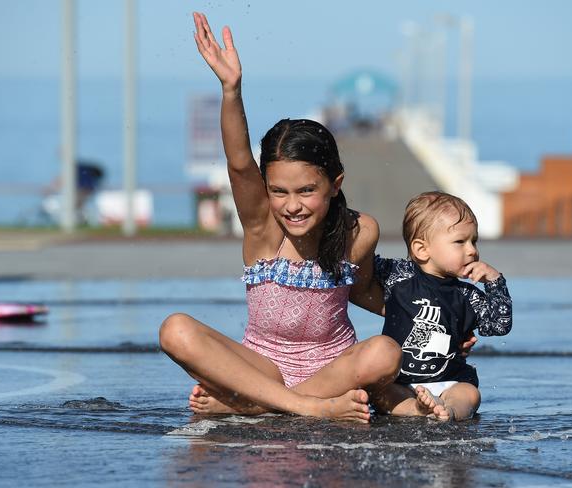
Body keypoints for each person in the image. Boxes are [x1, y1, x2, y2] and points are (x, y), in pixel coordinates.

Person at [159, 12, 403, 423]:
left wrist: (440, 317)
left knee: (385, 354)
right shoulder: (263, 230)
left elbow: (363, 291)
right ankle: (303, 407)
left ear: (335, 184)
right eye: (279, 191)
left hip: (333, 371)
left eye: (307, 191)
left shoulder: (359, 232)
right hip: (260, 368)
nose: (292, 205)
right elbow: (239, 164)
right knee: (174, 329)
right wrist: (231, 89)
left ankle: (254, 406)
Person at [370, 191, 512, 421]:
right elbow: (362, 258)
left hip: (451, 378)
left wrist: (496, 282)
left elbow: (498, 325)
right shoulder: (398, 276)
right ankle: (417, 409)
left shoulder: (467, 295)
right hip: (401, 380)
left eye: (474, 241)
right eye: (460, 242)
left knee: (470, 394)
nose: (472, 250)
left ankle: (450, 410)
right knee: (378, 392)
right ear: (421, 249)